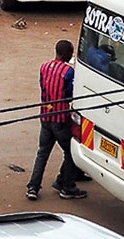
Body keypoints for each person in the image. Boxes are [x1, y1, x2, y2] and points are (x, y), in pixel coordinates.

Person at [26, 40, 87, 201]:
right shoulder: (68, 71)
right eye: (71, 52)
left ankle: (33, 187)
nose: (72, 55)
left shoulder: (44, 67)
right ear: (66, 53)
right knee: (71, 152)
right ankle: (67, 187)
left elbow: (43, 86)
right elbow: (69, 94)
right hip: (61, 119)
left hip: (45, 115)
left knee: (43, 153)